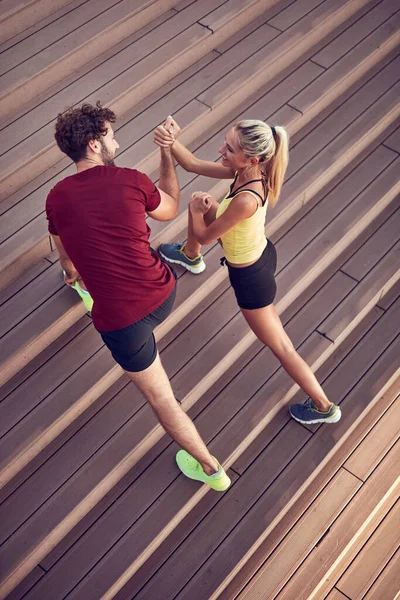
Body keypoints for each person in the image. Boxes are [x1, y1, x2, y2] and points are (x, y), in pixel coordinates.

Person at [45, 103, 231, 492]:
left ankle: (213, 470)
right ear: (95, 144)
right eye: (111, 135)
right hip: (163, 293)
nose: (116, 140)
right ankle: (209, 468)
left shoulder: (57, 197)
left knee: (164, 400)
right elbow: (170, 207)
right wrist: (167, 151)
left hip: (123, 324)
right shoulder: (130, 181)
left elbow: (62, 248)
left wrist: (70, 274)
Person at [154, 117, 341, 426]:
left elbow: (205, 234)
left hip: (251, 280)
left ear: (252, 158)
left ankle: (323, 406)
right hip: (260, 251)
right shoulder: (247, 171)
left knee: (281, 346)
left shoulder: (245, 199)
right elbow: (192, 164)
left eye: (229, 148)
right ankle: (189, 257)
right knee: (199, 203)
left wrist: (199, 211)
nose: (221, 150)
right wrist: (169, 139)